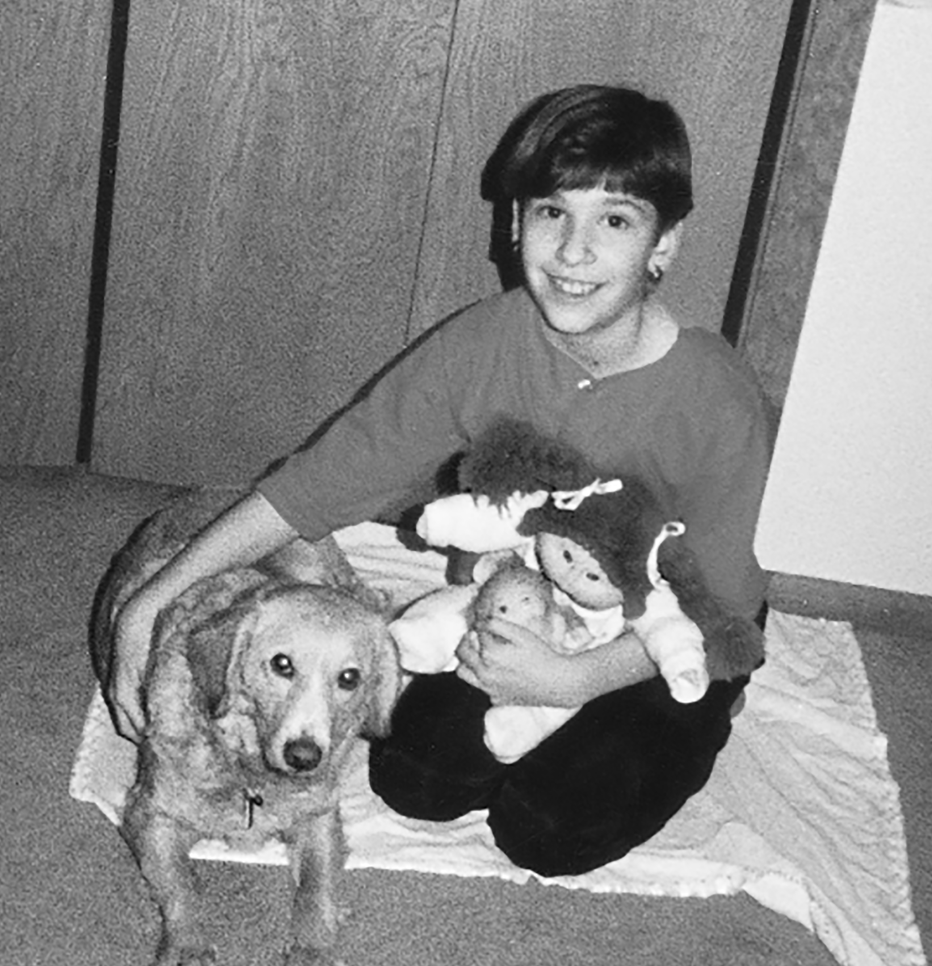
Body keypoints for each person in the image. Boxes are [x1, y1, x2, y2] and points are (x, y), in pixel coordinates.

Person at [108, 84, 772, 877]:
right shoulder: (484, 343)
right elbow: (316, 486)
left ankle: (685, 726)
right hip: (526, 593)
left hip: (667, 623)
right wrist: (147, 604)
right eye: (552, 213)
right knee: (414, 778)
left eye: (615, 222)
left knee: (546, 831)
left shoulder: (717, 400)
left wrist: (573, 680)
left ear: (664, 244)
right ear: (517, 221)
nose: (572, 252)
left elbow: (724, 606)